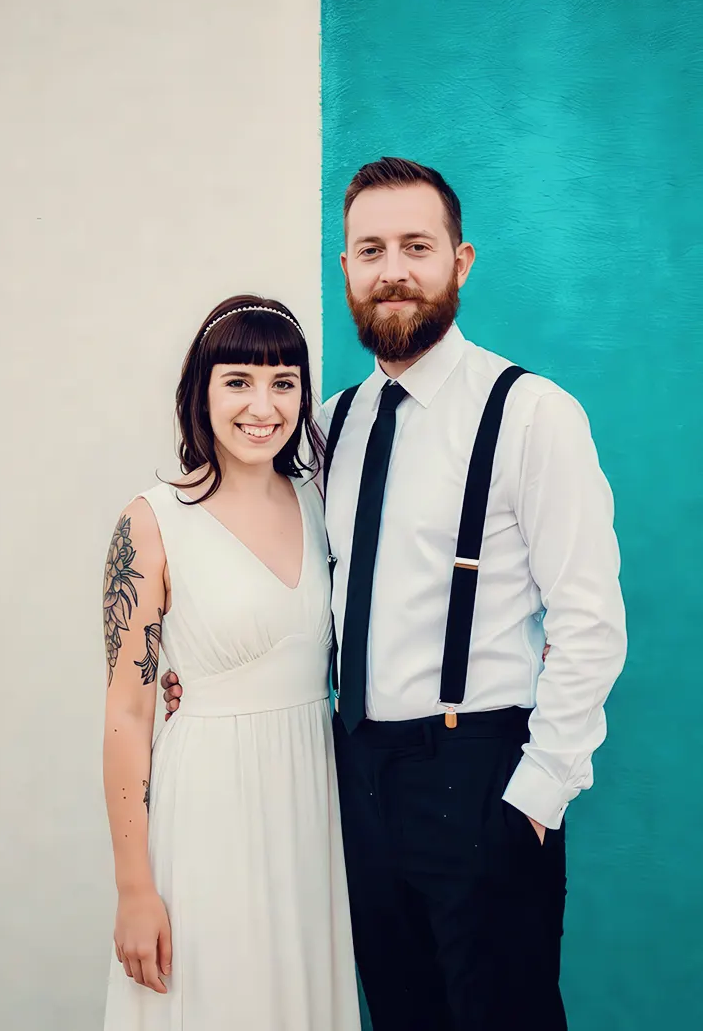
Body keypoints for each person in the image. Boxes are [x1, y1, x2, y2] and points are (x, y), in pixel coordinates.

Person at [163, 158, 627, 1031]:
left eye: (417, 245)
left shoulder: (532, 414)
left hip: (483, 773)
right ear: (346, 270)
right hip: (358, 785)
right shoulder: (333, 423)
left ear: (461, 260)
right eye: (370, 249)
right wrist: (194, 667)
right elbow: (267, 557)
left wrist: (536, 797)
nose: (393, 269)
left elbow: (591, 622)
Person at [102, 295, 361, 1031]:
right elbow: (126, 713)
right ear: (200, 393)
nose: (263, 405)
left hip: (312, 803)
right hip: (209, 805)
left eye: (284, 382)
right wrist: (134, 889)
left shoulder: (322, 502)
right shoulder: (152, 522)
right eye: (238, 380)